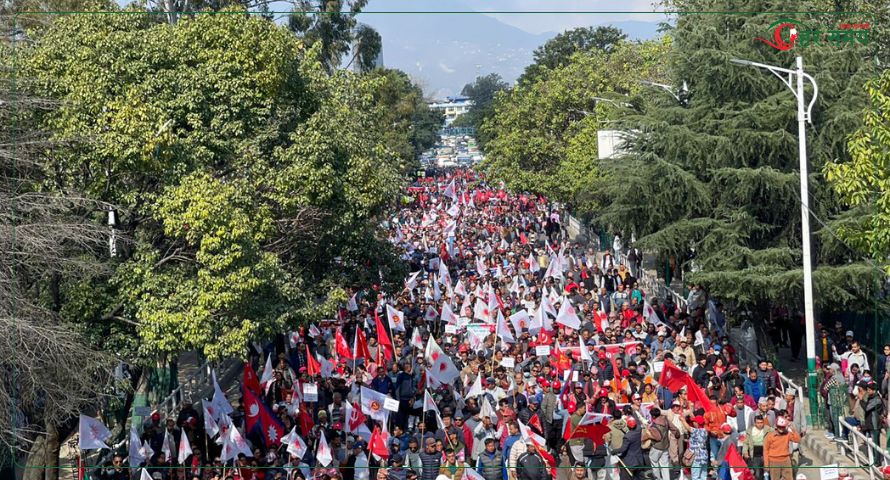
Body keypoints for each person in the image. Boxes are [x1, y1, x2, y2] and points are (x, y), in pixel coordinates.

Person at [614, 415, 644, 480]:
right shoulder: (639, 430)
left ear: (627, 425)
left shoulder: (627, 437)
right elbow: (639, 425)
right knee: (638, 476)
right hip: (639, 458)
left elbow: (623, 449)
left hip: (630, 461)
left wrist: (614, 451)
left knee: (626, 477)